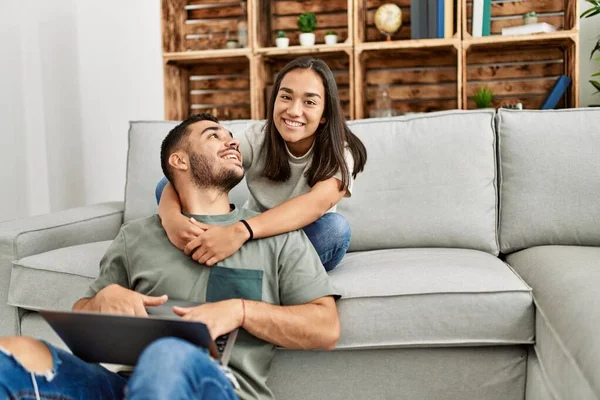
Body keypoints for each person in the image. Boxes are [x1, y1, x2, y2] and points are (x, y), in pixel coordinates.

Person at [0, 114, 340, 400]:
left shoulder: (275, 234)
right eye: (214, 135)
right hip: (127, 387)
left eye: (232, 137)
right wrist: (104, 299)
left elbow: (325, 328)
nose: (232, 142)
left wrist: (240, 310)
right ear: (179, 160)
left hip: (221, 389)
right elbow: (83, 312)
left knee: (168, 353)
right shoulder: (136, 237)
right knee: (14, 352)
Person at [156, 56, 367, 271]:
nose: (294, 111)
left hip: (288, 242)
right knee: (169, 184)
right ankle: (239, 264)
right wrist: (171, 219)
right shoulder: (257, 138)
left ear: (324, 114)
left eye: (309, 102)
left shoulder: (341, 152)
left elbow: (316, 204)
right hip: (249, 237)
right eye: (286, 97)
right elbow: (183, 176)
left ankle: (234, 265)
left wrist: (238, 232)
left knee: (335, 230)